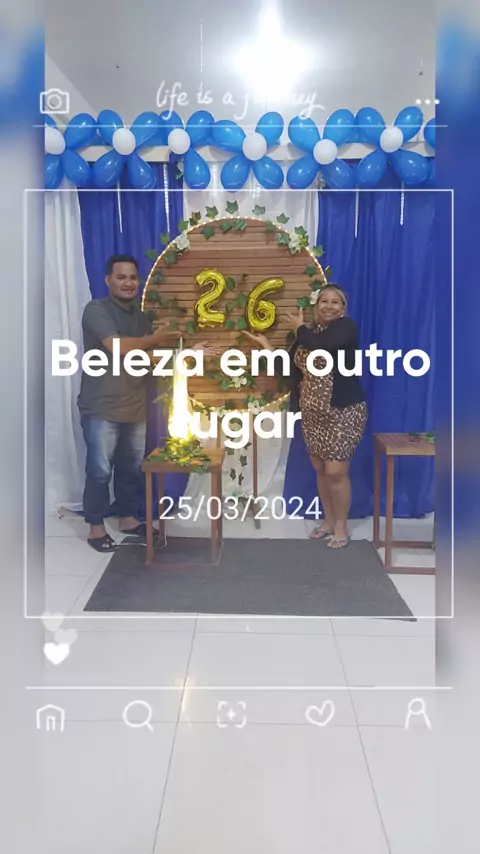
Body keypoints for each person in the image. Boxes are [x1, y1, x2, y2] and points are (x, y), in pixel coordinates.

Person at [244, 284, 367, 549]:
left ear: (343, 308)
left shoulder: (346, 328)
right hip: (312, 414)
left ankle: (341, 527)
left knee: (336, 472)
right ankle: (328, 520)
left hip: (343, 412)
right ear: (316, 306)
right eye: (324, 301)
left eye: (335, 302)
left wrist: (299, 328)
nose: (329, 306)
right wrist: (266, 347)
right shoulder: (307, 335)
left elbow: (322, 347)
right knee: (321, 469)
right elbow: (289, 370)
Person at [77, 254, 180, 552]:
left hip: (135, 406)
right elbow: (117, 346)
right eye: (121, 277)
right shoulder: (96, 310)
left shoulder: (141, 317)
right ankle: (96, 528)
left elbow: (145, 358)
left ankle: (127, 519)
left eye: (133, 277)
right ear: (108, 280)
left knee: (131, 468)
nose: (128, 283)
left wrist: (189, 353)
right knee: (99, 470)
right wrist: (155, 339)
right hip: (102, 407)